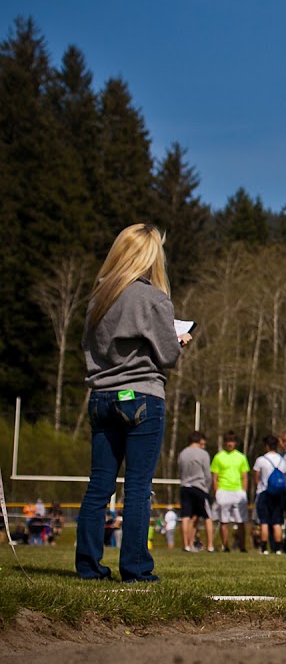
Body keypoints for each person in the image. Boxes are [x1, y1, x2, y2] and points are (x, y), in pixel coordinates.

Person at [75, 224, 192, 582]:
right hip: (141, 396)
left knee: (99, 485)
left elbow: (90, 347)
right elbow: (167, 355)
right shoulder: (153, 298)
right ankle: (136, 569)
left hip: (101, 396)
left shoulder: (98, 298)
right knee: (138, 486)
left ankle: (89, 567)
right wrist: (179, 340)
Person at [211, 431, 249, 552]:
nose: (230, 444)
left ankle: (242, 547)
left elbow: (244, 476)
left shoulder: (241, 457)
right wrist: (217, 492)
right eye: (228, 441)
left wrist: (244, 491)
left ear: (235, 443)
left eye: (232, 441)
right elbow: (214, 477)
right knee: (224, 520)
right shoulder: (218, 457)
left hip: (238, 491)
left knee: (240, 521)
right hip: (223, 490)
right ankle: (225, 546)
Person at [176, 430, 214, 552]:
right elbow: (207, 474)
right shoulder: (203, 454)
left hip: (185, 487)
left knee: (186, 516)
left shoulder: (182, 453)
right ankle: (210, 546)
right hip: (199, 487)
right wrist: (207, 488)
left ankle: (186, 545)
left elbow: (180, 470)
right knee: (208, 516)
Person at [253, 433, 286, 554]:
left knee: (264, 521)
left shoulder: (261, 460)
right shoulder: (282, 460)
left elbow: (256, 477)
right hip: (279, 494)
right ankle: (278, 548)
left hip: (264, 492)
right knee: (277, 522)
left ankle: (263, 548)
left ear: (266, 446)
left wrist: (259, 485)